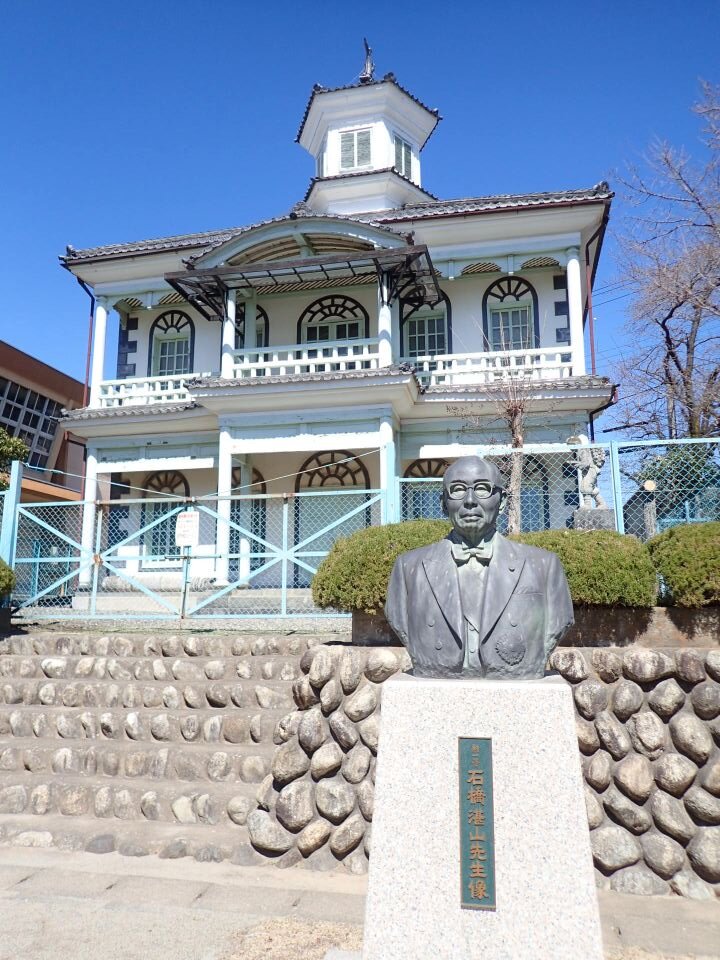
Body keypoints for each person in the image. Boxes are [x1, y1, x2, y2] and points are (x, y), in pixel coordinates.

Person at [385, 455, 574, 679]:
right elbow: (399, 620)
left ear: (502, 502)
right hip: (435, 672)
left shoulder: (544, 566)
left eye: (482, 489)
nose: (470, 500)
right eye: (457, 489)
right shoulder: (408, 568)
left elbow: (559, 622)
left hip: (516, 674)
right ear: (443, 504)